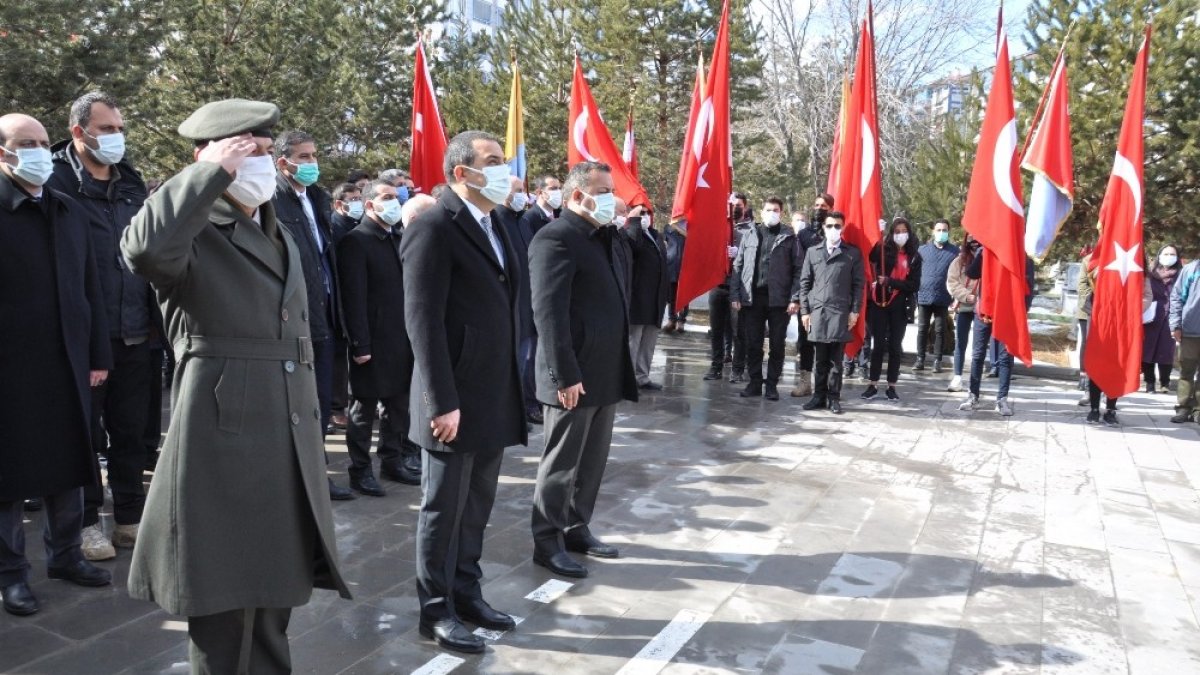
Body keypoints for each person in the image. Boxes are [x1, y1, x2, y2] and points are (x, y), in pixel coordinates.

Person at [122, 99, 351, 671]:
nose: (264, 163)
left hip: (284, 426)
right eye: (249, 151)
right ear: (211, 156)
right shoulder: (192, 225)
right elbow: (144, 249)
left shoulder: (274, 224)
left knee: (274, 591)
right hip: (225, 437)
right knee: (226, 605)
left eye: (267, 151)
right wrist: (208, 174)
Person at [399, 131, 526, 654]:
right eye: (493, 162)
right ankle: (435, 610)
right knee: (442, 508)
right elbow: (422, 320)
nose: (505, 170)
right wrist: (439, 401)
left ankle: (467, 593)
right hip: (452, 397)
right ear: (462, 173)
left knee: (476, 504)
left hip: (491, 389)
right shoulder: (434, 224)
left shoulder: (495, 223)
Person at [0, 112, 113, 617]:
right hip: (10, 369)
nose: (39, 151)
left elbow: (91, 288)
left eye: (44, 142)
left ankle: (66, 556)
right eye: (26, 142)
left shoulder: (67, 210)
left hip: (67, 361)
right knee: (9, 474)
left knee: (71, 463)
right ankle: (11, 575)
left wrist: (98, 354)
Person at [47, 92, 152, 560]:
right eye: (106, 129)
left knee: (132, 432)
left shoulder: (131, 182)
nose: (116, 138)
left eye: (119, 129)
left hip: (137, 330)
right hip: (84, 336)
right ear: (79, 132)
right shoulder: (53, 183)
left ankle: (129, 517)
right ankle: (88, 522)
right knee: (85, 436)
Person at [529, 161, 638, 579]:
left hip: (604, 369)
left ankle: (576, 526)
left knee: (591, 461)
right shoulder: (555, 238)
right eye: (605, 190)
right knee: (561, 463)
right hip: (572, 375)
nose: (614, 198)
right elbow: (549, 314)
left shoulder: (602, 237)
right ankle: (547, 540)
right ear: (577, 196)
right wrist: (564, 374)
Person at [271, 130, 355, 501]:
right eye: (303, 157)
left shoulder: (317, 200)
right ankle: (299, 482)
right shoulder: (272, 201)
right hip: (294, 322)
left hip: (324, 318)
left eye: (313, 155)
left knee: (319, 405)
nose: (311, 164)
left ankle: (316, 475)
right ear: (282, 162)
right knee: (297, 408)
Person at [338, 179, 422, 495]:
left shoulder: (395, 238)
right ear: (370, 204)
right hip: (371, 342)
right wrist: (360, 343)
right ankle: (360, 470)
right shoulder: (356, 241)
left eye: (395, 197)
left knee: (398, 405)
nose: (394, 201)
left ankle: (392, 459)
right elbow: (354, 297)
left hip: (400, 339)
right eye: (386, 197)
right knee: (362, 410)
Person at [730, 196, 804, 401]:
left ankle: (771, 385)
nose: (772, 213)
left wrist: (794, 298)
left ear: (781, 213)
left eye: (776, 210)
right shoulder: (751, 234)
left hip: (778, 301)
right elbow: (738, 265)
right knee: (753, 343)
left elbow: (799, 270)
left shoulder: (789, 237)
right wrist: (735, 294)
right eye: (769, 209)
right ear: (762, 212)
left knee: (777, 345)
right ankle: (754, 382)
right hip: (752, 299)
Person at [798, 211, 865, 414]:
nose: (833, 230)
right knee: (820, 359)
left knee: (836, 361)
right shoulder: (813, 252)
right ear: (823, 228)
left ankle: (833, 397)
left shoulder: (852, 253)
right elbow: (804, 283)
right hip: (817, 311)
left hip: (840, 312)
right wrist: (805, 311)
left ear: (842, 228)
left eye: (837, 226)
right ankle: (818, 396)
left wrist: (854, 312)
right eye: (829, 226)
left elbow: (858, 285)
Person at [495, 176, 542, 426]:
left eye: (522, 190)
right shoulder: (497, 221)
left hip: (529, 304)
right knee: (512, 364)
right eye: (516, 191)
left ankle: (525, 406)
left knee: (526, 362)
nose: (522, 196)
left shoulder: (522, 222)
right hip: (511, 307)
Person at [861, 218, 923, 401]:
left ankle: (892, 386)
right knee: (878, 345)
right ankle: (872, 384)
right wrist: (875, 234)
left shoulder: (914, 257)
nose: (900, 234)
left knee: (895, 347)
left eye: (904, 231)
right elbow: (870, 256)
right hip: (880, 303)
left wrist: (890, 282)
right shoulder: (883, 250)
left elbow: (914, 285)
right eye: (897, 231)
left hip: (900, 305)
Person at [623, 206, 669, 390]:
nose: (645, 217)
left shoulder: (656, 236)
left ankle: (642, 377)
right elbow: (635, 249)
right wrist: (633, 223)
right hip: (637, 297)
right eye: (640, 213)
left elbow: (664, 266)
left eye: (647, 213)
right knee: (634, 340)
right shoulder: (630, 234)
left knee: (649, 340)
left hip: (655, 297)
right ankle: (628, 379)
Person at [788, 195, 827, 398]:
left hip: (829, 296)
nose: (819, 209)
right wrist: (796, 297)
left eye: (824, 206)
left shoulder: (834, 234)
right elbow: (797, 268)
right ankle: (805, 382)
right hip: (808, 295)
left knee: (826, 341)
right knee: (805, 340)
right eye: (817, 205)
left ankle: (825, 383)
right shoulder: (804, 235)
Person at [914, 219, 959, 373]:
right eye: (938, 230)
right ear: (933, 231)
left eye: (944, 230)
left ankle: (937, 361)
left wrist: (956, 297)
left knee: (940, 330)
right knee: (922, 329)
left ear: (949, 231)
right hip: (924, 296)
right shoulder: (922, 250)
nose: (941, 233)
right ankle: (920, 359)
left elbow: (958, 276)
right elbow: (915, 272)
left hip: (943, 297)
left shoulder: (955, 252)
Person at [946, 234, 981, 392]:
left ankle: (975, 380)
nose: (975, 242)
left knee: (978, 346)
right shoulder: (959, 261)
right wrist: (967, 295)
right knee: (960, 342)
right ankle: (957, 377)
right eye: (971, 238)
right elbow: (952, 282)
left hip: (982, 308)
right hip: (964, 306)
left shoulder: (988, 258)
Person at [1144, 245, 1181, 393]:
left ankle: (1165, 382)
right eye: (1165, 253)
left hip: (1172, 315)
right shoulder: (1151, 274)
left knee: (1167, 350)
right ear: (1159, 255)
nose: (1168, 256)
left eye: (1172, 254)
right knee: (1148, 349)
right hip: (1152, 314)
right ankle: (1149, 382)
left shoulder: (1181, 274)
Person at [1170, 252, 1200, 423]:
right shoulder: (1191, 269)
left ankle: (1198, 410)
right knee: (1186, 372)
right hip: (1190, 331)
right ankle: (1183, 408)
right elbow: (1177, 298)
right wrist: (1175, 325)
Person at [663, 219, 690, 333]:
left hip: (685, 265)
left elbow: (693, 239)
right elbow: (664, 243)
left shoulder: (689, 226)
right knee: (671, 295)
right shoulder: (668, 227)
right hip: (672, 265)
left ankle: (681, 320)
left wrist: (678, 227)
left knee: (684, 295)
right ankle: (672, 319)